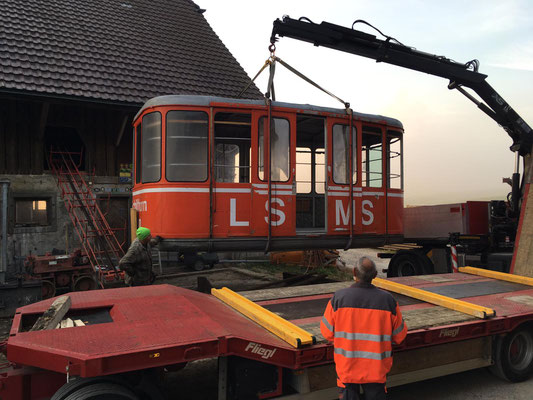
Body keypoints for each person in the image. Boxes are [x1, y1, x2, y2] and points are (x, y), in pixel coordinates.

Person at [320, 257, 407, 400]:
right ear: (375, 275)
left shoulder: (338, 299)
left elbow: (327, 333)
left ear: (354, 272)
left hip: (347, 371)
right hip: (376, 372)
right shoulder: (388, 301)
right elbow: (400, 336)